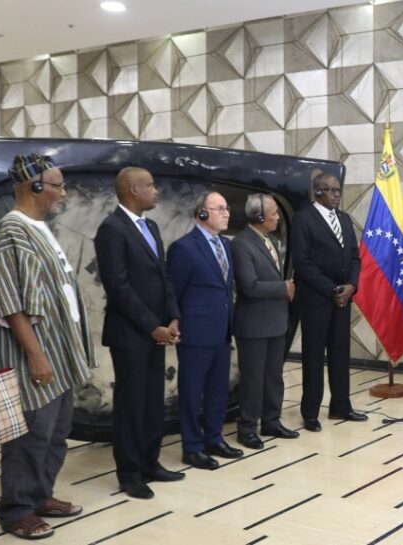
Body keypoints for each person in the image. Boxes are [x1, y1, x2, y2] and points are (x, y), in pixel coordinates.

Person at [0, 154, 97, 539]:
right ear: (34, 187)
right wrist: (36, 355)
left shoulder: (41, 228)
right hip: (35, 357)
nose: (63, 193)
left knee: (56, 431)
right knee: (30, 436)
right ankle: (16, 510)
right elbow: (10, 304)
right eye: (58, 185)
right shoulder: (10, 232)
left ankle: (39, 496)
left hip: (58, 356)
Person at [94, 167, 184, 499]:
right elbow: (118, 287)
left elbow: (164, 278)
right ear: (133, 189)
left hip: (157, 331)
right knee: (131, 405)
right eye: (150, 185)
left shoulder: (152, 226)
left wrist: (173, 316)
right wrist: (152, 326)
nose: (156, 190)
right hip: (131, 334)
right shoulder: (111, 229)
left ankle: (150, 462)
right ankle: (129, 473)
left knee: (151, 403)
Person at [167, 191, 242, 470]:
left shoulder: (226, 244)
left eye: (226, 208)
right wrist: (174, 321)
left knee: (217, 390)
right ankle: (192, 446)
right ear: (201, 213)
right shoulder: (184, 248)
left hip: (222, 331)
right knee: (191, 391)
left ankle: (214, 437)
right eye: (219, 208)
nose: (226, 213)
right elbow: (173, 292)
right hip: (195, 334)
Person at [292, 172, 367, 431]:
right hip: (316, 299)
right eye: (330, 190)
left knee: (340, 354)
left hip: (343, 300)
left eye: (338, 190)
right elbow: (302, 263)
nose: (336, 194)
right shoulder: (303, 218)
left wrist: (351, 286)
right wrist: (333, 289)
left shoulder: (344, 219)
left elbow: (355, 258)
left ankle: (340, 407)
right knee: (313, 357)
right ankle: (310, 412)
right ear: (317, 192)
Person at [232, 193, 299, 449]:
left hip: (275, 321)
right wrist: (283, 288)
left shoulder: (269, 239)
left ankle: (272, 421)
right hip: (254, 324)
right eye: (273, 213)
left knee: (274, 376)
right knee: (253, 378)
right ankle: (247, 427)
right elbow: (249, 286)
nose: (277, 217)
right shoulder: (241, 244)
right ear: (258, 217)